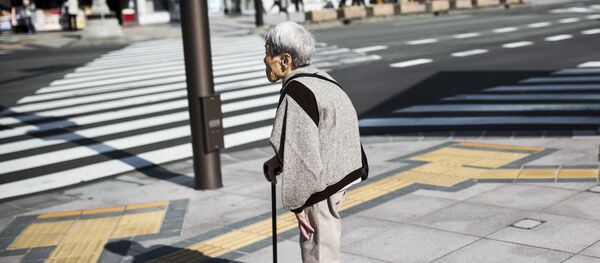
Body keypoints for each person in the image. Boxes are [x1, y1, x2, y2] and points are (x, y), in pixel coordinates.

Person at [263, 21, 367, 263]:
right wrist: (279, 160)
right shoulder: (320, 78)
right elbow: (316, 134)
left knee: (319, 254)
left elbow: (303, 155)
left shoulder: (297, 91)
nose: (265, 59)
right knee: (327, 247)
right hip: (340, 173)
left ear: (285, 60)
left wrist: (299, 204)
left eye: (268, 52)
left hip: (319, 187)